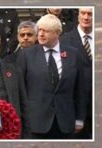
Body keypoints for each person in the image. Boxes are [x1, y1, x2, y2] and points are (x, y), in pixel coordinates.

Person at [17, 14, 86, 139]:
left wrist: (80, 118)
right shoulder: (26, 55)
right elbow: (19, 90)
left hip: (65, 122)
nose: (41, 34)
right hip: (35, 123)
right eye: (39, 30)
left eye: (46, 31)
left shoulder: (73, 54)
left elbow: (80, 89)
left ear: (57, 33)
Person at [60, 7, 93, 139]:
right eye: (83, 13)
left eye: (90, 14)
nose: (86, 17)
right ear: (78, 15)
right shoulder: (64, 41)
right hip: (75, 107)